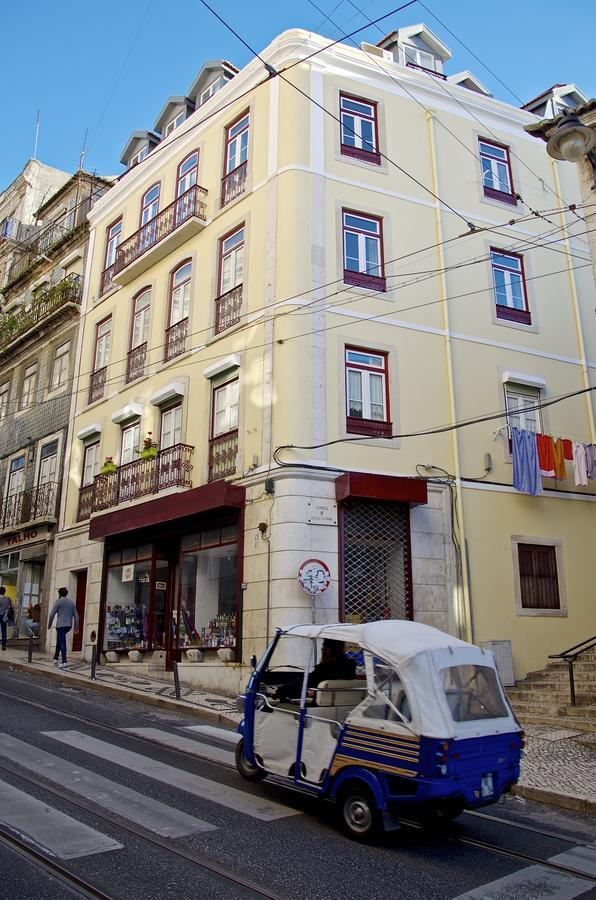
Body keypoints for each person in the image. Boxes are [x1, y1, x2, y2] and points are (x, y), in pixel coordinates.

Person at [276, 639, 357, 702]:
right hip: (341, 699)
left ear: (330, 649)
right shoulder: (350, 664)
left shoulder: (325, 667)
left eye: (324, 646)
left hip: (320, 698)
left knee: (283, 690)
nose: (321, 649)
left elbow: (311, 679)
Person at [48, 587, 79, 669]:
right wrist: (76, 627)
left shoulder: (58, 602)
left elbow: (52, 614)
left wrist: (49, 625)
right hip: (68, 625)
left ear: (59, 594)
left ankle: (64, 661)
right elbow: (76, 616)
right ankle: (55, 658)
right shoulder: (71, 603)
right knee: (59, 640)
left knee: (62, 642)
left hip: (60, 625)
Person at [0, 587, 14, 651]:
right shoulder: (8, 599)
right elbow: (12, 606)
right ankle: (4, 645)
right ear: (4, 592)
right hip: (4, 616)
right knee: (3, 629)